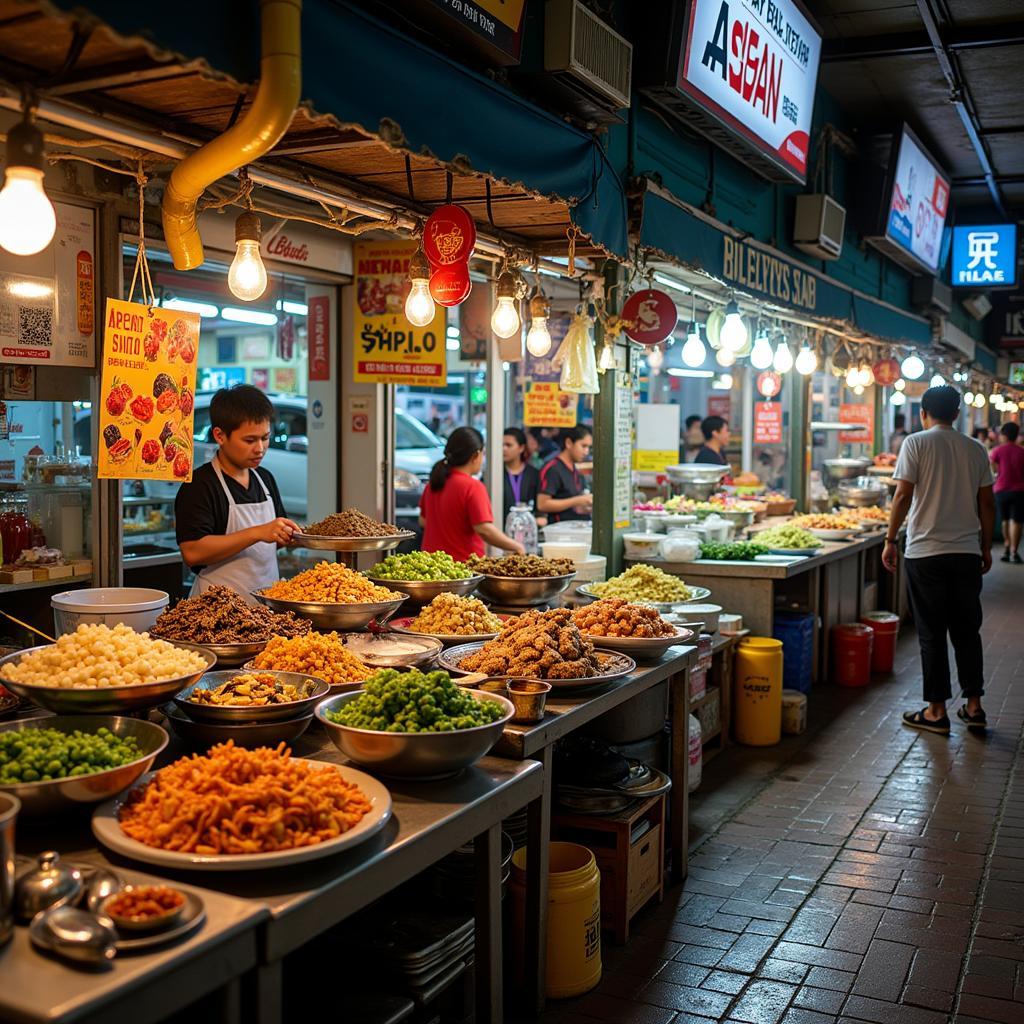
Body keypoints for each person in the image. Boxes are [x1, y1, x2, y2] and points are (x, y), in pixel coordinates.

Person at [883, 386, 994, 735]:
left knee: (931, 633)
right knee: (966, 630)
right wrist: (986, 547)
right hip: (965, 553)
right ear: (958, 414)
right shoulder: (976, 449)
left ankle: (936, 711)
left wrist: (889, 539)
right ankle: (974, 706)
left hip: (925, 553)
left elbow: (902, 495)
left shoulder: (915, 443)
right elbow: (987, 504)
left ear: (923, 413)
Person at [175, 385, 298, 602]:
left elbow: (272, 541)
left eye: (265, 438)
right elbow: (193, 552)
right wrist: (257, 532)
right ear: (220, 436)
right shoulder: (199, 485)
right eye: (250, 440)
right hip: (214, 612)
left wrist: (291, 536)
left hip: (265, 608)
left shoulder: (265, 479)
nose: (260, 448)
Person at [419, 426, 524, 562]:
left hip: (430, 566)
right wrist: (516, 546)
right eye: (483, 453)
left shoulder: (433, 483)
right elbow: (484, 529)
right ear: (475, 455)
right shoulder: (472, 486)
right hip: (462, 569)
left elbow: (423, 521)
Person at [538, 426, 593, 522]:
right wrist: (577, 501)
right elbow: (542, 504)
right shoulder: (553, 469)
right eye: (583, 446)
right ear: (568, 443)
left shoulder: (575, 469)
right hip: (559, 532)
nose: (586, 452)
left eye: (589, 447)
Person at [991, 421, 1024, 563]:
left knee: (1004, 520)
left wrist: (999, 472)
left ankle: (1006, 546)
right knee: (1016, 521)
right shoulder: (1022, 452)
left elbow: (992, 468)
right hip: (1019, 490)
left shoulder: (997, 450)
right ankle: (1014, 551)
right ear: (1017, 436)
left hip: (1001, 489)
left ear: (1003, 435)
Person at [502, 427, 544, 525]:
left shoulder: (533, 474)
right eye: (502, 445)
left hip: (528, 528)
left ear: (521, 448)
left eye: (508, 445)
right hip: (501, 527)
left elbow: (540, 506)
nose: (504, 449)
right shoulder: (495, 475)